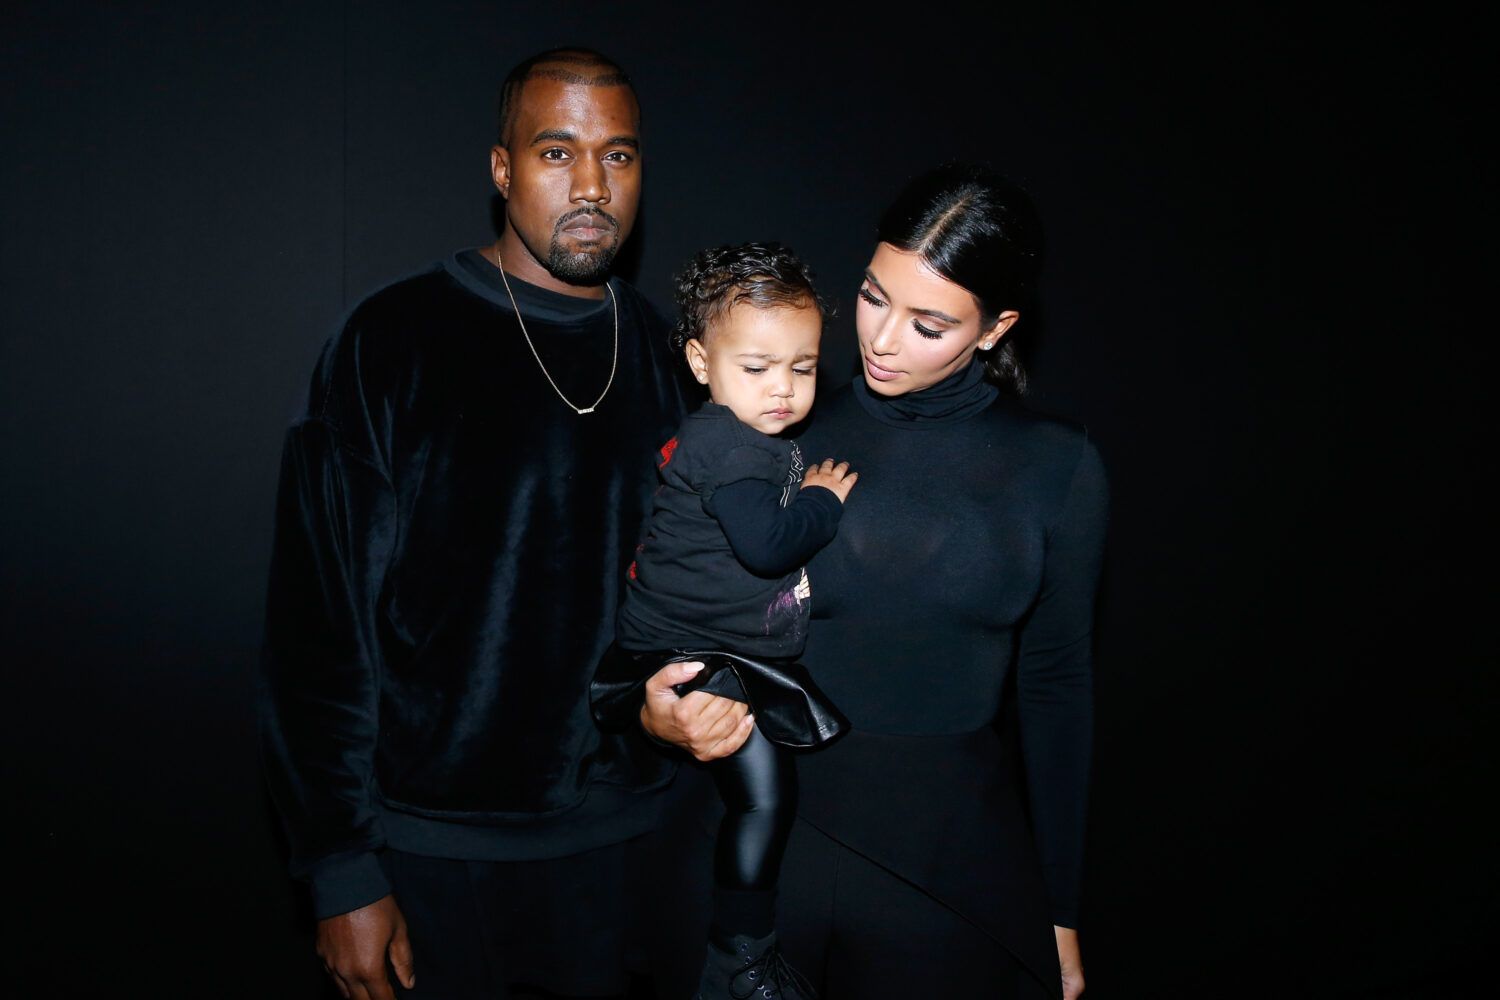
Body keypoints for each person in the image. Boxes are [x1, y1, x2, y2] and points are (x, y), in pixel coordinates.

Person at [259, 47, 698, 1000]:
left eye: (619, 156)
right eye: (557, 152)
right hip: (436, 852)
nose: (593, 186)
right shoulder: (392, 341)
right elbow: (316, 628)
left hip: (631, 842)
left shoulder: (675, 356)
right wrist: (340, 866)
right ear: (502, 169)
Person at [641, 163, 1107, 1000]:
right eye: (871, 296)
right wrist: (654, 707)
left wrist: (1063, 907)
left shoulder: (1057, 467)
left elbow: (1058, 689)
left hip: (945, 874)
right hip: (758, 854)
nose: (882, 340)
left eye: (928, 323)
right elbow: (672, 592)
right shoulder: (775, 420)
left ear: (996, 328)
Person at [592, 243, 858, 1000]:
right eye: (758, 367)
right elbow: (767, 546)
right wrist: (821, 502)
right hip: (697, 654)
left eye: (802, 368)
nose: (783, 389)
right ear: (701, 363)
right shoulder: (732, 449)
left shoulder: (728, 436)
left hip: (689, 644)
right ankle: (739, 957)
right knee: (765, 801)